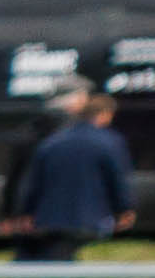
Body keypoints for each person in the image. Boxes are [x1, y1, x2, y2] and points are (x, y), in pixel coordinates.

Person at [15, 82, 134, 261]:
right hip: (91, 218)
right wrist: (124, 209)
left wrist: (27, 212)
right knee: (64, 257)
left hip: (49, 218)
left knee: (54, 256)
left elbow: (34, 183)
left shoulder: (51, 143)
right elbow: (117, 179)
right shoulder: (110, 142)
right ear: (106, 114)